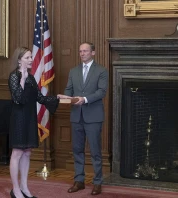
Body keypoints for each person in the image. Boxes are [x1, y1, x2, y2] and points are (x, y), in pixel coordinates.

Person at [8, 47, 69, 198]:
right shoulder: (14, 76)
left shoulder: (31, 77)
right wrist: (22, 79)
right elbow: (18, 99)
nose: (30, 60)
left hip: (29, 118)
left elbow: (39, 98)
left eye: (30, 57)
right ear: (19, 59)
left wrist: (57, 98)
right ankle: (15, 190)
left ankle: (24, 187)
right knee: (17, 152)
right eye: (28, 57)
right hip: (18, 118)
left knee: (27, 152)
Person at [64, 42, 108, 196]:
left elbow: (102, 92)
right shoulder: (73, 71)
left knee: (95, 151)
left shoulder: (101, 71)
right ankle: (79, 181)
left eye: (85, 51)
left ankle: (97, 183)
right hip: (76, 116)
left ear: (93, 53)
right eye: (80, 51)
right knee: (77, 150)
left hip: (93, 117)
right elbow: (68, 90)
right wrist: (65, 97)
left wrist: (85, 99)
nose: (82, 54)